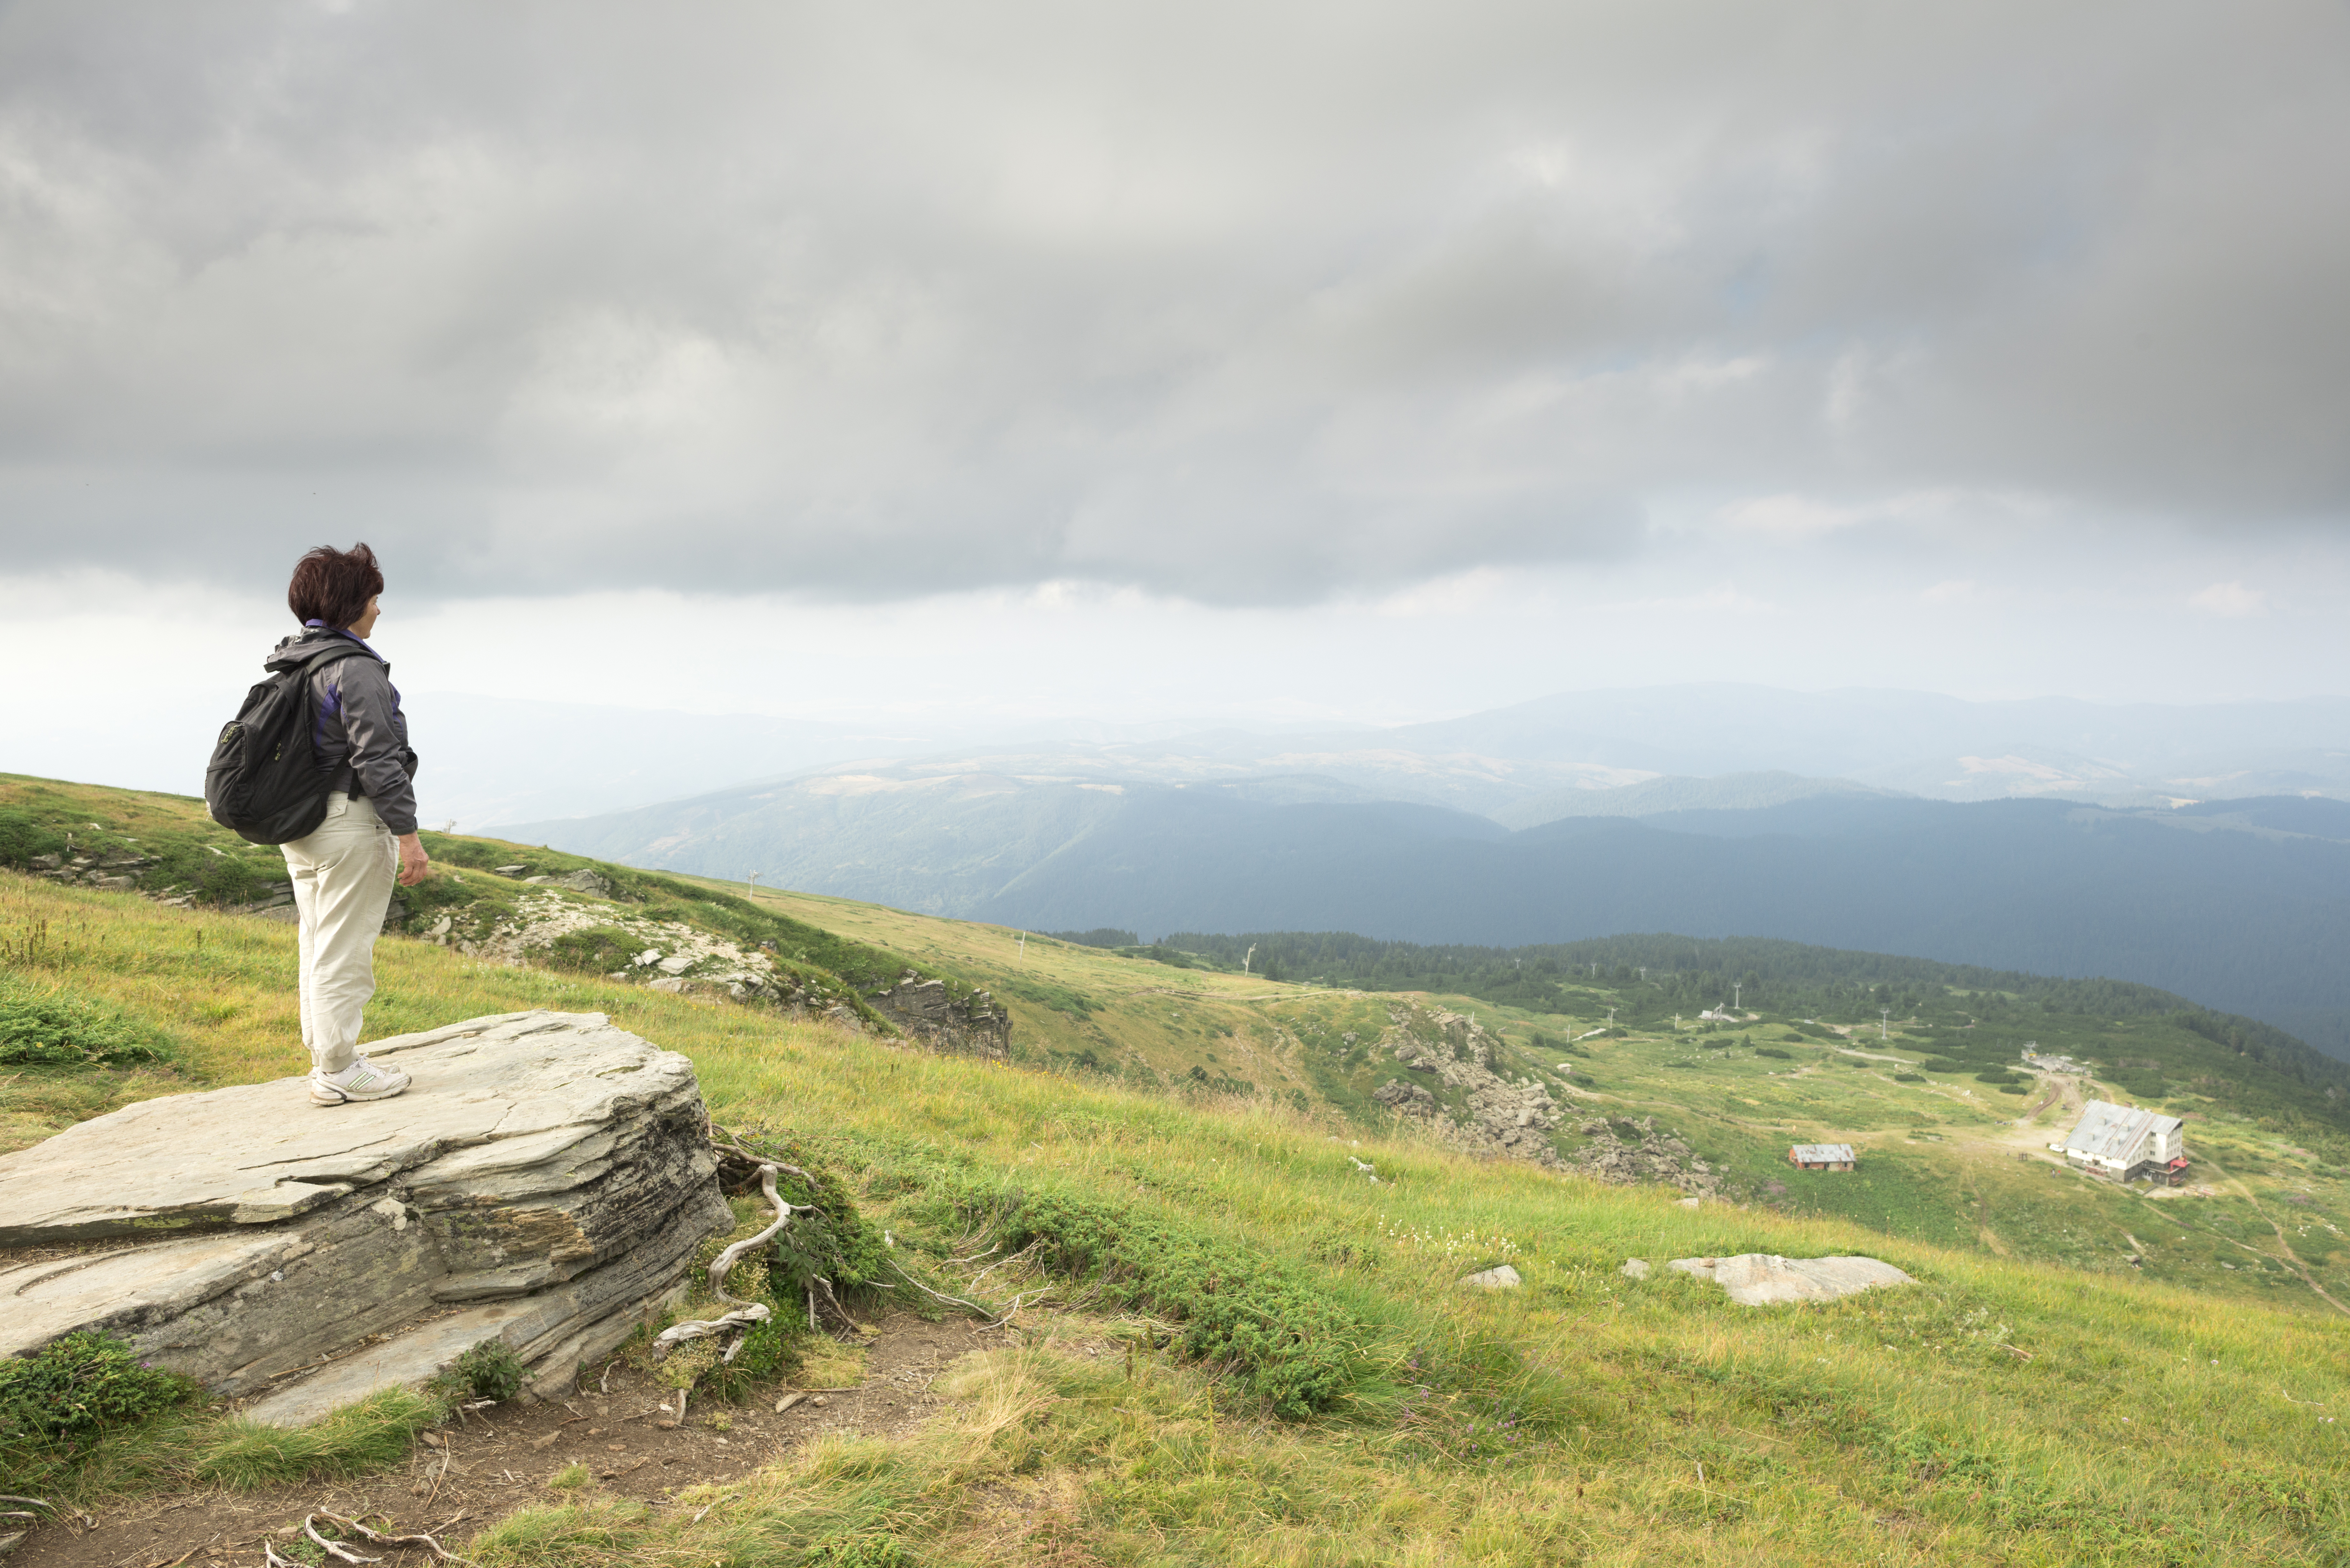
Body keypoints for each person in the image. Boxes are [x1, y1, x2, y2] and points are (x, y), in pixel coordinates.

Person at [269, 543, 430, 1105]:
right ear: (351, 602)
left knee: (318, 942)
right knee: (345, 950)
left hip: (303, 826)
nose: (379, 610)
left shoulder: (293, 658)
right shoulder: (355, 666)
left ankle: (327, 1058)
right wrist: (408, 837)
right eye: (373, 597)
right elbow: (377, 759)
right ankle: (339, 1069)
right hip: (349, 824)